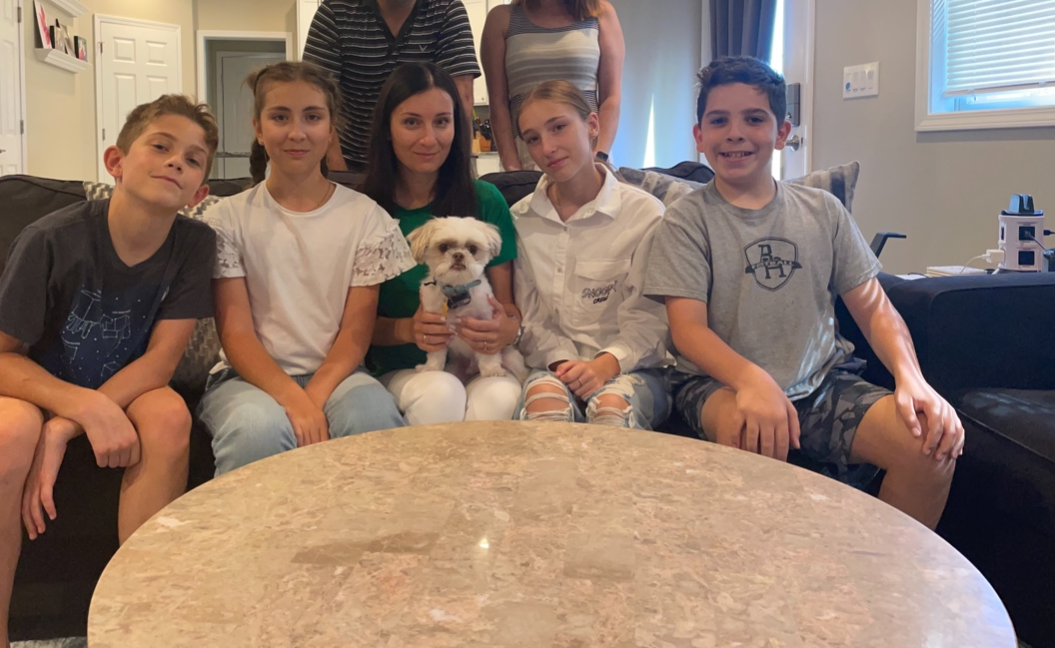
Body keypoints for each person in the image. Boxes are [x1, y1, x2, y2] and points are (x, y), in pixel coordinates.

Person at [644, 57, 963, 529]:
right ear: (699, 136)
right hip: (717, 385)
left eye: (754, 119)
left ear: (781, 133)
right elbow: (687, 330)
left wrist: (911, 379)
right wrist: (753, 382)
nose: (735, 133)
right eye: (719, 120)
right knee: (750, 431)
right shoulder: (686, 220)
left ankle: (878, 571)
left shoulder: (824, 211)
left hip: (821, 382)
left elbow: (875, 309)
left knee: (928, 445)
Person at [0, 95, 219, 648]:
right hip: (29, 387)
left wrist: (66, 428)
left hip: (127, 389)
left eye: (192, 159)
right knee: (8, 432)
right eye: (160, 146)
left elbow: (160, 363)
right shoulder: (50, 239)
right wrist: (79, 406)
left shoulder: (196, 245)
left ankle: (138, 630)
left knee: (169, 416)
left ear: (199, 194)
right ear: (115, 162)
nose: (175, 161)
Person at [197, 61, 413, 475]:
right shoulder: (227, 218)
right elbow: (236, 333)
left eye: (312, 117)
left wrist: (313, 396)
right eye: (280, 117)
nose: (297, 133)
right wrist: (293, 400)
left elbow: (356, 332)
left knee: (373, 421)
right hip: (247, 380)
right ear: (258, 129)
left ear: (331, 130)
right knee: (257, 430)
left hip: (339, 376)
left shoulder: (365, 218)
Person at [362, 63, 523, 423]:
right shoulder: (364, 210)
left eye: (442, 121)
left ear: (457, 127)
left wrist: (507, 328)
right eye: (411, 122)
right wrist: (408, 329)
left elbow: (507, 305)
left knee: (500, 397)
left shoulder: (486, 200)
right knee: (440, 391)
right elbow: (351, 325)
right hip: (403, 368)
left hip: (478, 359)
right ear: (387, 128)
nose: (429, 138)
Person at [511, 80, 672, 429]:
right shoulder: (520, 220)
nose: (547, 147)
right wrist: (565, 365)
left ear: (592, 125)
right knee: (544, 406)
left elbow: (653, 318)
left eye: (558, 127)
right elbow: (530, 317)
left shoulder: (644, 214)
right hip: (553, 367)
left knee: (611, 410)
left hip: (633, 368)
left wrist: (604, 365)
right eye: (533, 139)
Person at [303, 0, 481, 171]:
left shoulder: (447, 10)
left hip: (426, 167)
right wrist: (339, 176)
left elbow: (461, 100)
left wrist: (458, 171)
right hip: (354, 167)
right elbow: (316, 101)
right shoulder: (334, 15)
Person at [482, 0, 624, 171]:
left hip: (589, 159)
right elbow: (499, 104)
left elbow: (611, 97)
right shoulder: (501, 20)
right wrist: (513, 169)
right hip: (528, 158)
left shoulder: (601, 15)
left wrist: (600, 156)